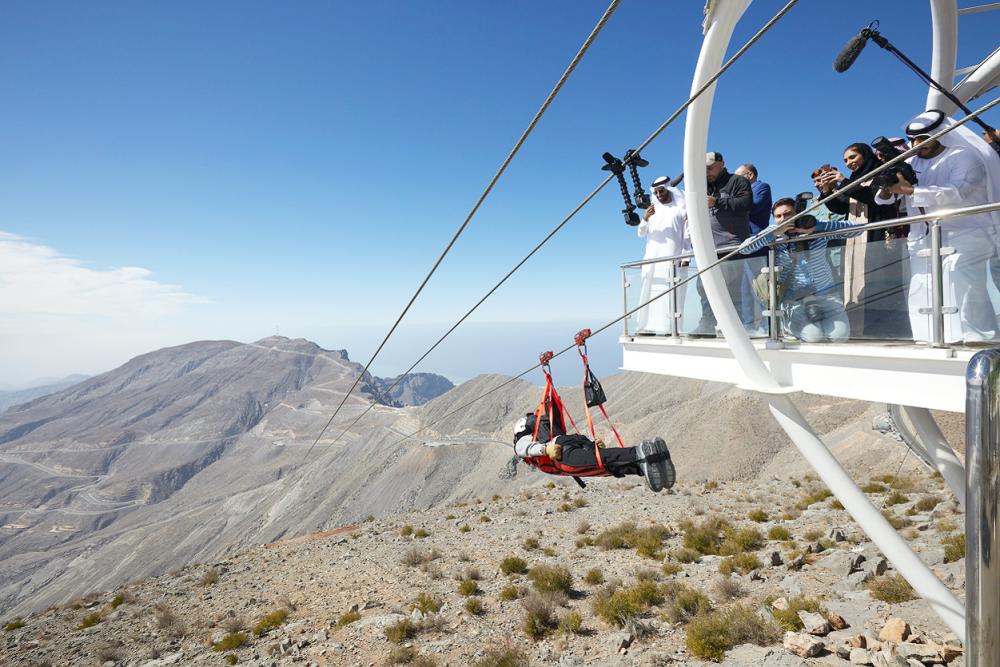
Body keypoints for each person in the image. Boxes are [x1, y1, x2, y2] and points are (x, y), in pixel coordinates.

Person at [875, 110, 1000, 343]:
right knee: (922, 289)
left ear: (939, 134)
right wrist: (887, 185)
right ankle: (929, 340)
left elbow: (957, 192)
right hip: (923, 237)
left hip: (965, 234)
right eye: (913, 140)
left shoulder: (964, 156)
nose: (917, 144)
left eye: (923, 139)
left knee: (964, 289)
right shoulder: (910, 161)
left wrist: (911, 191)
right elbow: (883, 200)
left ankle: (980, 341)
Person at [739, 197, 863, 343]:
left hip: (826, 296)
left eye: (788, 214)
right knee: (814, 337)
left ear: (797, 214)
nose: (783, 219)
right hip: (794, 301)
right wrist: (772, 234)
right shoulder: (774, 235)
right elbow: (744, 249)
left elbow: (858, 229)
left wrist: (818, 227)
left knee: (839, 337)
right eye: (778, 216)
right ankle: (788, 325)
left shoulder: (815, 229)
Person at [822, 143, 910, 340]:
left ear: (865, 155)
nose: (848, 163)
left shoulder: (878, 172)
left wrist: (843, 181)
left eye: (852, 157)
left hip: (878, 234)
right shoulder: (854, 179)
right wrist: (827, 191)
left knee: (879, 283)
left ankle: (886, 332)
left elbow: (872, 198)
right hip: (856, 238)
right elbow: (841, 207)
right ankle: (859, 330)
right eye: (845, 160)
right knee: (856, 281)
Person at [512, 414, 676, 492]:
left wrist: (545, 449)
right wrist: (591, 442)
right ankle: (649, 463)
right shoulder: (547, 431)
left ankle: (638, 453)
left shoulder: (523, 438)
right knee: (606, 466)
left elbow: (521, 449)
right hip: (574, 440)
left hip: (562, 454)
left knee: (601, 462)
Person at [691, 151, 753, 336]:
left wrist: (717, 201)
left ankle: (734, 327)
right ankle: (707, 324)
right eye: (704, 169)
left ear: (721, 163)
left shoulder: (737, 181)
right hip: (708, 248)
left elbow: (746, 203)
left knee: (731, 288)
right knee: (703, 287)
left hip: (731, 245)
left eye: (710, 168)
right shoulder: (704, 185)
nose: (707, 172)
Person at [636, 176, 689, 335]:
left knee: (672, 293)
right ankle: (645, 327)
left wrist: (686, 257)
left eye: (662, 191)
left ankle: (671, 329)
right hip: (651, 259)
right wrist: (645, 218)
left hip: (672, 258)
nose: (659, 195)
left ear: (669, 190)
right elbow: (640, 233)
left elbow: (687, 236)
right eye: (656, 192)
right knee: (648, 291)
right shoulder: (652, 211)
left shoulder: (681, 209)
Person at [734, 163, 772, 335]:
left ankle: (767, 326)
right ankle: (748, 326)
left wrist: (730, 202)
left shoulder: (761, 187)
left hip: (757, 245)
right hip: (744, 246)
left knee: (760, 288)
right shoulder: (742, 193)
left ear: (749, 175)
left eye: (738, 177)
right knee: (745, 290)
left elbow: (752, 206)